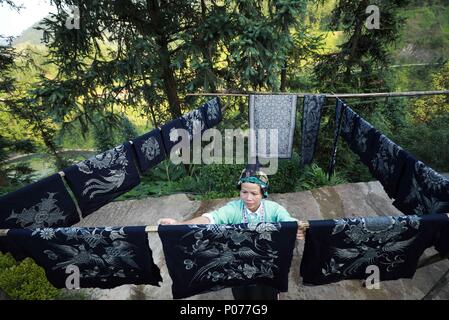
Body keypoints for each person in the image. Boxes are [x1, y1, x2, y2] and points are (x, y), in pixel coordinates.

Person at [158, 164, 304, 300]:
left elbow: (288, 221)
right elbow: (211, 219)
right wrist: (179, 225)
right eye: (244, 192)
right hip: (238, 267)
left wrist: (295, 228)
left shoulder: (274, 209)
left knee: (268, 294)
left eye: (254, 193)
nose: (248, 198)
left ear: (263, 193)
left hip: (267, 267)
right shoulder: (233, 208)